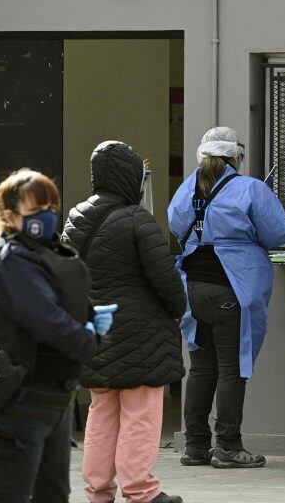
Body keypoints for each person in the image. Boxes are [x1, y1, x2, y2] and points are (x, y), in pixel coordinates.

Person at [0, 169, 117, 503]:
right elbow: (48, 320)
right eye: (36, 209)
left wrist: (93, 317)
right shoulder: (9, 260)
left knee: (53, 495)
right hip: (17, 403)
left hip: (54, 401)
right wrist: (89, 339)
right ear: (10, 216)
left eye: (51, 206)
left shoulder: (47, 253)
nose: (47, 215)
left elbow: (67, 302)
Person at [62, 141, 186, 503]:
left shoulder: (76, 217)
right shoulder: (137, 220)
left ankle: (98, 492)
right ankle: (140, 491)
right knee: (140, 413)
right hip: (141, 337)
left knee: (101, 412)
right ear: (128, 177)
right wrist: (177, 308)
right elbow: (166, 280)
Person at [167, 127, 285, 468]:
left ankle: (195, 446)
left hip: (193, 288)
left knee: (202, 368)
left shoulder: (186, 189)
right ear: (236, 156)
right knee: (232, 369)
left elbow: (177, 226)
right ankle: (228, 446)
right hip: (231, 288)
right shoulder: (250, 188)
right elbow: (278, 233)